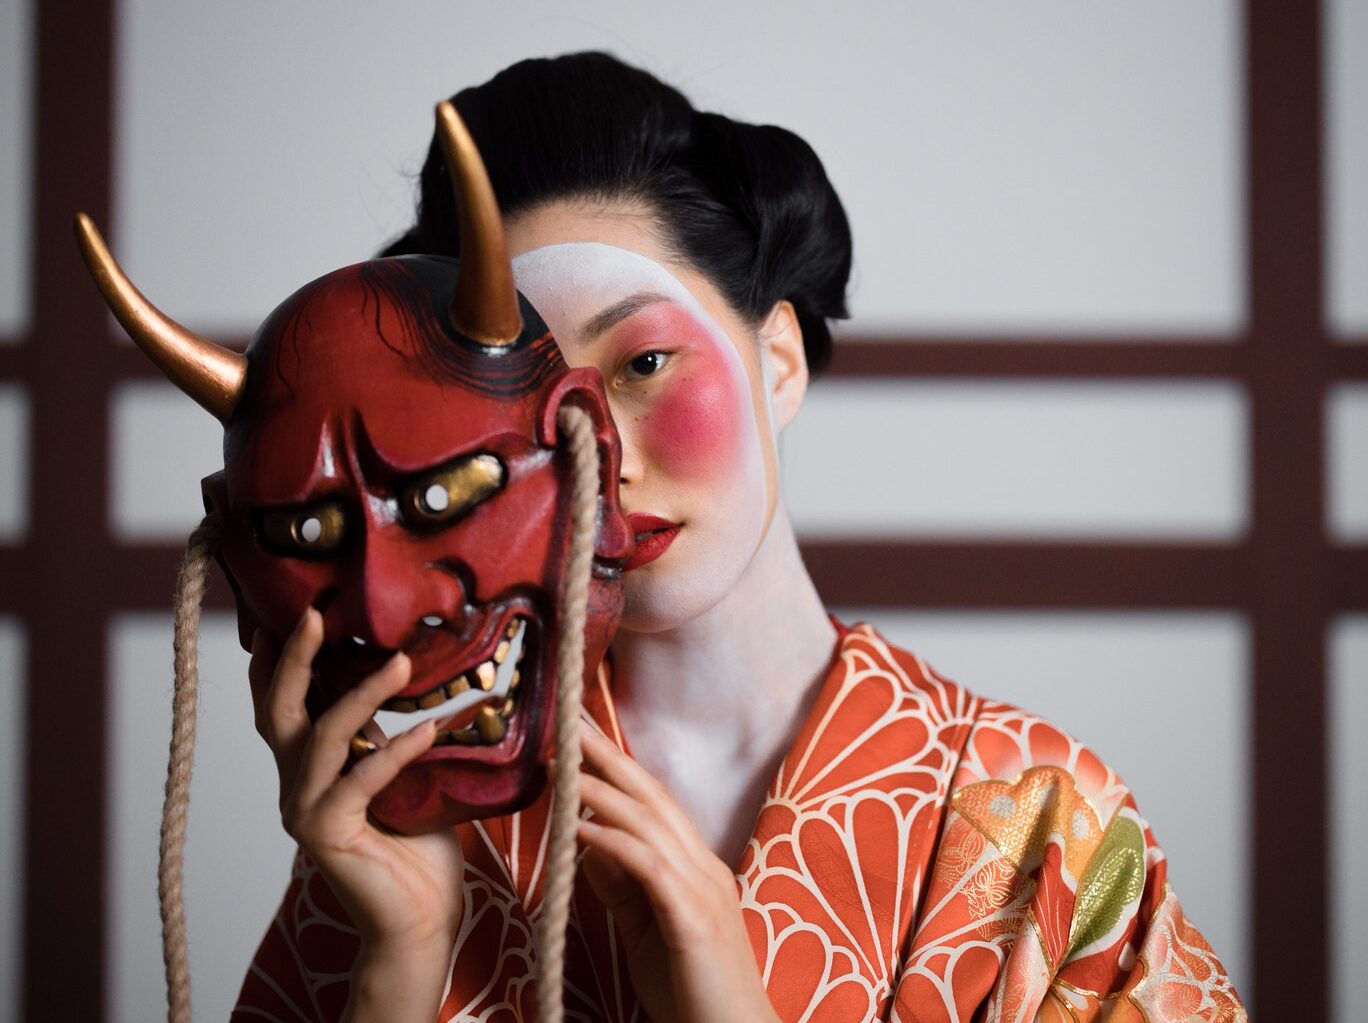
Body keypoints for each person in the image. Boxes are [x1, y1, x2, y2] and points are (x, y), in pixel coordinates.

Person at [232, 52, 1245, 1023]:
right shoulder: (431, 800)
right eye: (537, 405)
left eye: (643, 365)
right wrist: (402, 960)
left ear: (779, 361)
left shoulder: (1038, 821)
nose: (599, 457)